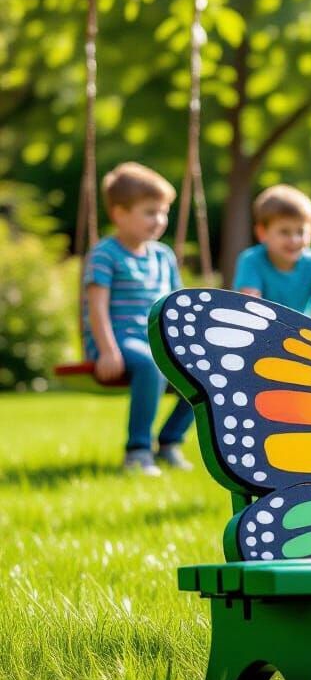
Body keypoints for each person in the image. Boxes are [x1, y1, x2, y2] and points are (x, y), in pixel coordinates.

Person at [84, 162, 195, 476]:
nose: (159, 220)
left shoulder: (163, 256)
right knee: (150, 364)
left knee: (201, 371)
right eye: (150, 212)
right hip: (116, 341)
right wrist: (106, 350)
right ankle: (137, 450)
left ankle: (170, 441)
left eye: (163, 212)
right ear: (120, 213)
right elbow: (97, 306)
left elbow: (177, 305)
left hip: (153, 341)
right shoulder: (106, 253)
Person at [233, 184, 311, 337]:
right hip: (259, 336)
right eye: (285, 232)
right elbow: (251, 304)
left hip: (299, 339)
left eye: (301, 231)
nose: (294, 239)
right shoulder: (251, 261)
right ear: (262, 232)